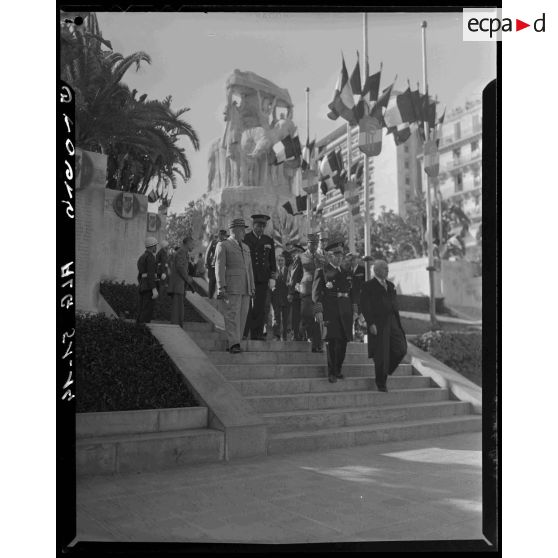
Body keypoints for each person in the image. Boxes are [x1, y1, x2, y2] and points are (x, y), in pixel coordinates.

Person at [360, 259, 407, 392]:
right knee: (381, 354)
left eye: (387, 268)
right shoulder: (368, 286)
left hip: (393, 321)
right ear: (376, 271)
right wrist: (371, 323)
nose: (388, 270)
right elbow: (365, 306)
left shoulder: (391, 286)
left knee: (401, 349)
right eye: (385, 268)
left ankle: (386, 369)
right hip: (378, 323)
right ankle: (381, 382)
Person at [312, 241, 354, 383]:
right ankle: (331, 372)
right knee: (332, 343)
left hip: (345, 313)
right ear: (329, 256)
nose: (339, 257)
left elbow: (352, 293)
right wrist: (319, 312)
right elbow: (316, 294)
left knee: (343, 343)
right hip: (331, 312)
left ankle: (338, 370)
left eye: (341, 254)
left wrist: (354, 309)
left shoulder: (347, 272)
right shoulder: (322, 271)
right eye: (336, 254)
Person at [215, 218, 255, 353]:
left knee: (243, 315)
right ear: (236, 230)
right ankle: (233, 344)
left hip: (246, 286)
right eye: (243, 230)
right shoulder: (223, 245)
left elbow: (249, 269)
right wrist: (221, 286)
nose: (244, 232)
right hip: (232, 285)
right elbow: (219, 267)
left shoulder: (246, 247)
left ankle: (236, 341)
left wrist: (252, 286)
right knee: (232, 314)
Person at [243, 214, 277, 340]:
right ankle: (245, 332)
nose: (260, 229)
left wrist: (272, 277)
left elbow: (272, 260)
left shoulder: (268, 240)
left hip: (263, 277)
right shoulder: (246, 238)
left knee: (260, 306)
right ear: (253, 225)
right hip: (249, 276)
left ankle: (257, 333)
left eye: (263, 226)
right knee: (247, 306)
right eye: (258, 226)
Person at [289, 233, 324, 352]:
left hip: (319, 290)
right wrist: (291, 291)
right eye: (312, 243)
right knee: (307, 316)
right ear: (308, 244)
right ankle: (304, 334)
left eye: (316, 243)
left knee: (317, 318)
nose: (314, 246)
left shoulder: (321, 257)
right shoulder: (301, 257)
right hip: (306, 290)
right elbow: (294, 276)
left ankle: (317, 344)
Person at [167, 236, 194, 328]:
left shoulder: (184, 252)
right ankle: (176, 327)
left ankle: (178, 326)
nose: (193, 247)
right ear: (188, 243)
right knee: (177, 309)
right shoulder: (181, 252)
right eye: (192, 244)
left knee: (179, 308)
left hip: (180, 284)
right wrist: (187, 278)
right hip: (178, 284)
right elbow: (180, 267)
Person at [136, 237, 159, 324]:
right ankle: (143, 332)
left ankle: (137, 331)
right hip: (149, 287)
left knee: (141, 310)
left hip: (142, 286)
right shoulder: (150, 257)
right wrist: (154, 288)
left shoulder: (141, 257)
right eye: (155, 246)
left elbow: (140, 276)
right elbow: (150, 275)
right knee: (147, 312)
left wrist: (142, 284)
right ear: (152, 246)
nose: (156, 248)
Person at [287, 244, 304, 340]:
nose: (294, 255)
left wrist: (290, 292)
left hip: (303, 291)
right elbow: (293, 277)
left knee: (301, 314)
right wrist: (291, 292)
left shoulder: (300, 259)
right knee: (297, 315)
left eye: (295, 253)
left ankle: (299, 334)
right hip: (298, 292)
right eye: (293, 254)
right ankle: (297, 334)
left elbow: (294, 277)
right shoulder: (298, 260)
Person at [271, 253, 290, 341]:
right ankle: (277, 335)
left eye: (282, 260)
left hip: (286, 297)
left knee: (286, 318)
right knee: (276, 317)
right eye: (279, 260)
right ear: (276, 261)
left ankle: (285, 336)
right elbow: (271, 285)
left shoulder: (289, 271)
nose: (280, 262)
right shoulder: (274, 271)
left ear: (285, 261)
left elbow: (290, 283)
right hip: (276, 297)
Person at [348, 253, 366, 342]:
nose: (351, 262)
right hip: (350, 300)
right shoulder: (347, 271)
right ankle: (352, 338)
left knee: (361, 319)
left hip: (361, 299)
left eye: (353, 260)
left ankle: (361, 338)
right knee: (351, 319)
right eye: (350, 260)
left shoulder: (363, 270)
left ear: (356, 260)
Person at [205, 229, 228, 299]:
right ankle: (210, 296)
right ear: (219, 235)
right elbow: (208, 252)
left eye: (223, 235)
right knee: (212, 281)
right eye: (220, 235)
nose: (222, 236)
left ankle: (220, 296)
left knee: (221, 281)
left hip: (223, 266)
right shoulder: (214, 242)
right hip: (213, 265)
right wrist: (206, 263)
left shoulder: (226, 243)